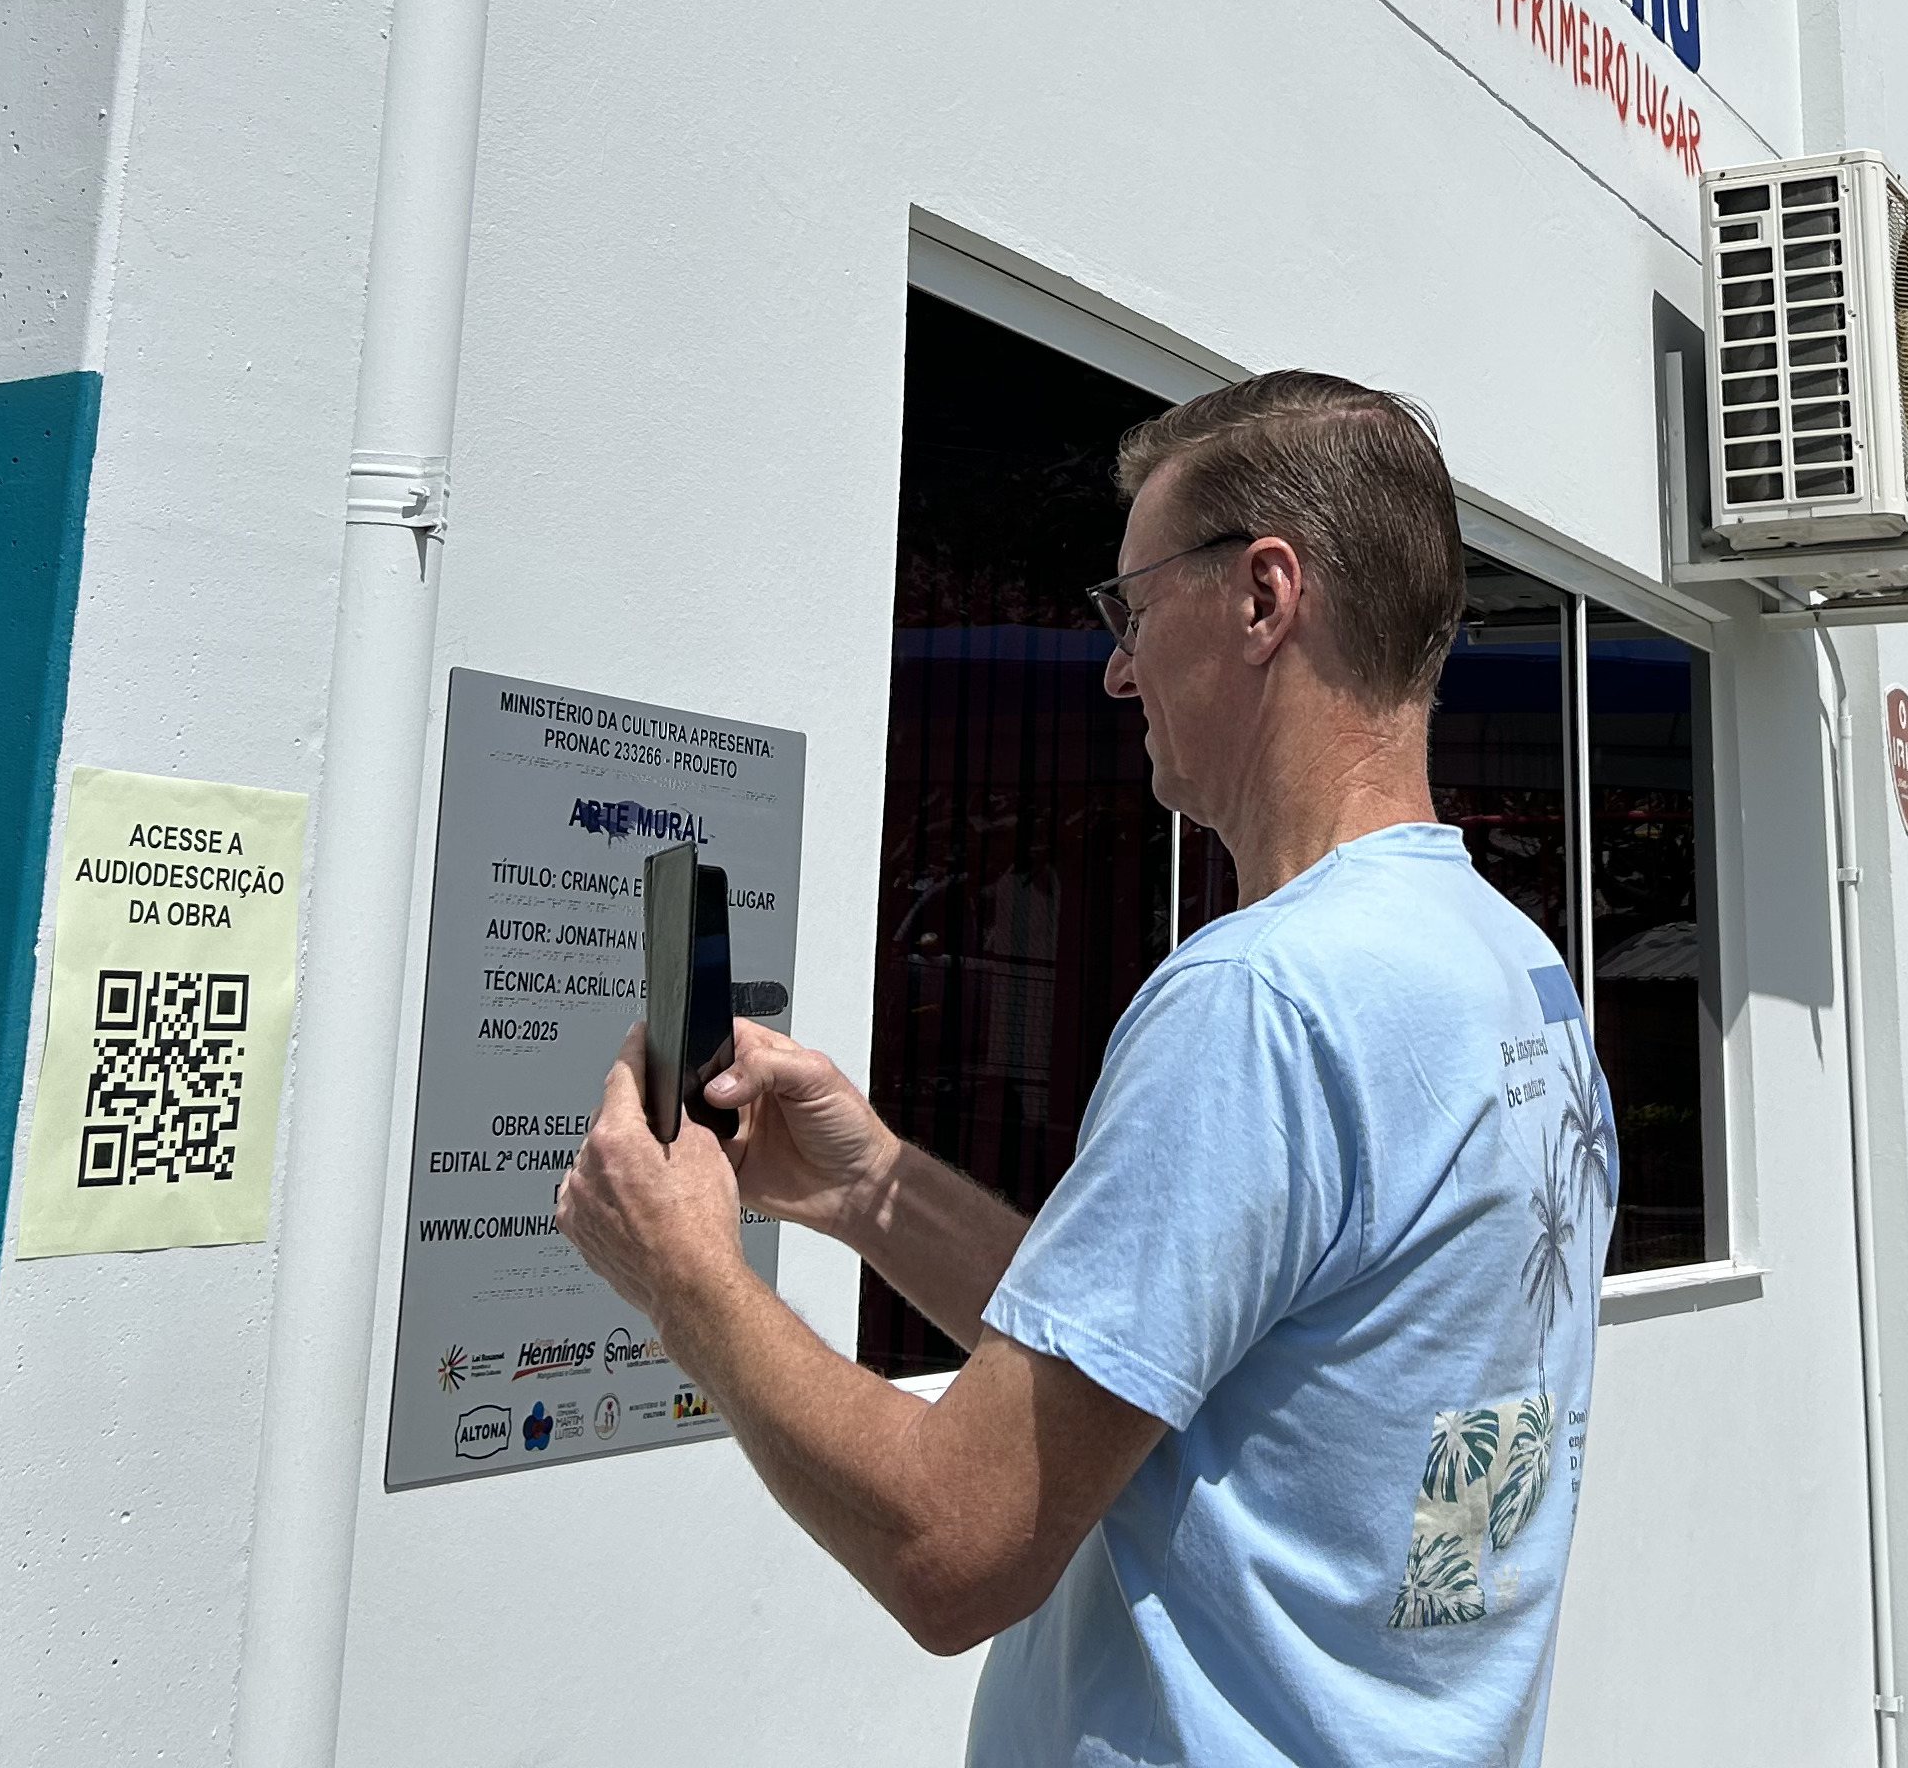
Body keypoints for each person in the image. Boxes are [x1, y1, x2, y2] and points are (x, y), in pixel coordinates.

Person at [557, 371, 1612, 1765]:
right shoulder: (1513, 970)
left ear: (1263, 597)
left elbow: (952, 1546)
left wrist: (682, 1276)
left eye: (1134, 609)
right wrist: (871, 1190)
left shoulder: (1261, 1000)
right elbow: (1152, 1365)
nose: (1117, 669)